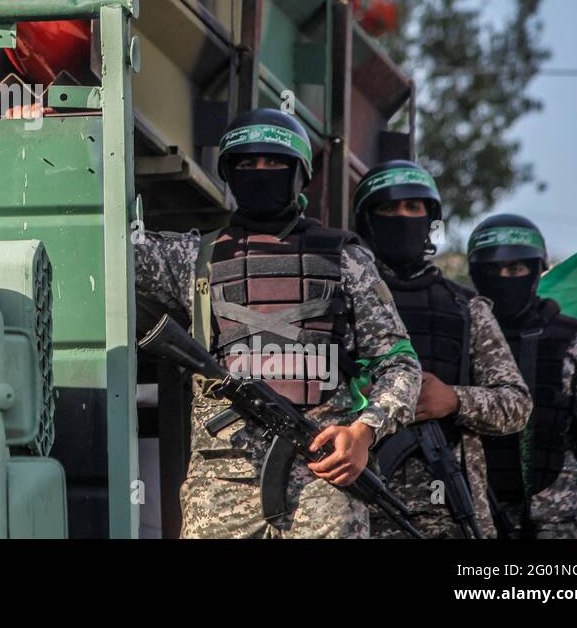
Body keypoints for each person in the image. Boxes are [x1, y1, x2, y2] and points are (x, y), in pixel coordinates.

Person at [173, 108, 421, 538]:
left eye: (275, 163)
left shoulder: (345, 258)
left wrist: (364, 432)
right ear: (230, 173)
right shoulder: (193, 257)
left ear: (300, 173)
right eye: (247, 163)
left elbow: (400, 364)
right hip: (219, 487)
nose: (261, 172)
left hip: (324, 480)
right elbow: (102, 238)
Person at [352, 161, 530, 538]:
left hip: (448, 512)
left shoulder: (466, 308)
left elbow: (517, 405)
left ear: (429, 219)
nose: (402, 218)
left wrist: (454, 400)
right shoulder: (342, 298)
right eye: (388, 208)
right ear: (368, 219)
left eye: (413, 208)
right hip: (354, 505)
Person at [468, 214, 577, 539]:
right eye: (493, 270)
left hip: (549, 525)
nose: (504, 278)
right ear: (476, 274)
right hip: (470, 520)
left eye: (515, 269)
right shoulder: (459, 335)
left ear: (535, 272)